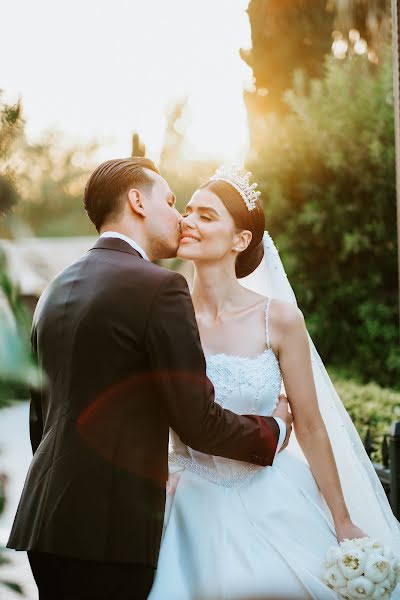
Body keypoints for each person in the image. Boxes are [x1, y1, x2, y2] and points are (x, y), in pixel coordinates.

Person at [6, 158, 293, 600]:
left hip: (46, 521)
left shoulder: (57, 287)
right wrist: (271, 430)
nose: (180, 218)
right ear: (137, 201)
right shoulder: (159, 287)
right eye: (172, 201)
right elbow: (197, 420)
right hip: (111, 533)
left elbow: (41, 418)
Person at [149, 166, 400, 600]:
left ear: (240, 240)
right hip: (188, 501)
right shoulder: (162, 316)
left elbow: (312, 425)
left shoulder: (279, 320)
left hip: (273, 493)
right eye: (187, 211)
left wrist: (341, 519)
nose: (188, 221)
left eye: (207, 216)